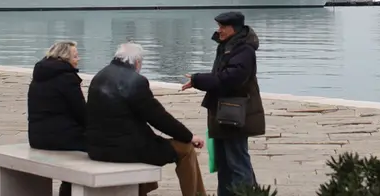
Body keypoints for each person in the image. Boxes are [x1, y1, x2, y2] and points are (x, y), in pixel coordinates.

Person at [86, 42, 206, 196]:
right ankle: (196, 194)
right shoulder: (136, 81)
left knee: (150, 144)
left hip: (96, 148)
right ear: (137, 62)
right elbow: (158, 118)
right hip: (124, 150)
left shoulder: (100, 76)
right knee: (185, 149)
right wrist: (189, 136)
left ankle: (140, 191)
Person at [181, 11, 265, 196]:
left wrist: (199, 80)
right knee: (225, 163)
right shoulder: (228, 46)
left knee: (237, 161)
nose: (219, 30)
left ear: (233, 28)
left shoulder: (244, 50)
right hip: (224, 113)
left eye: (222, 27)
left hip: (235, 114)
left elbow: (231, 78)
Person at [27, 41, 86, 196]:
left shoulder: (39, 76)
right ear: (65, 58)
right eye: (75, 56)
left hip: (37, 137)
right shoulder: (67, 78)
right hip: (60, 139)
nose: (78, 59)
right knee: (101, 146)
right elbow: (82, 114)